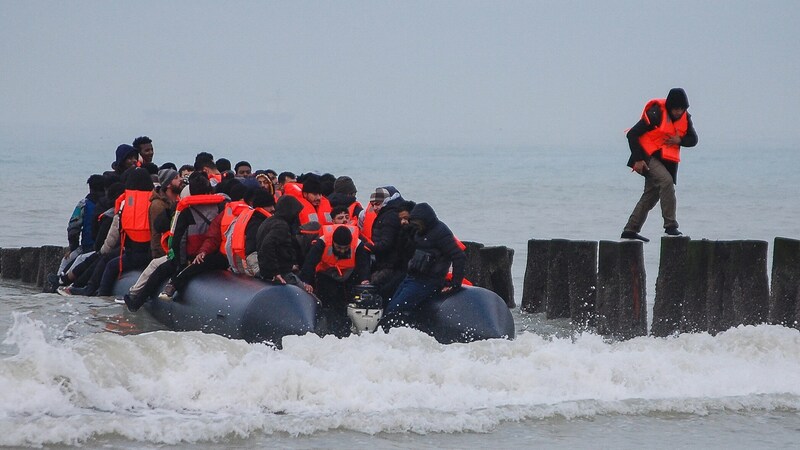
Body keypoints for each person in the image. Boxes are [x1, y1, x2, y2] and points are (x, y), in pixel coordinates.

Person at [621, 88, 698, 242]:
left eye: (681, 109)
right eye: (675, 109)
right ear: (669, 107)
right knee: (666, 182)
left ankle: (630, 230)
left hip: (664, 162)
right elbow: (632, 134)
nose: (678, 112)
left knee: (651, 195)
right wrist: (638, 159)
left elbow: (693, 140)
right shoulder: (656, 113)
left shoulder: (686, 118)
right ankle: (670, 225)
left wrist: (680, 141)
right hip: (645, 156)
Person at [380, 202, 466, 331]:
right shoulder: (417, 231)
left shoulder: (441, 233)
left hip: (428, 281)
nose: (416, 226)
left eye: (418, 223)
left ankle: (392, 333)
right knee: (389, 304)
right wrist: (405, 232)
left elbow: (459, 256)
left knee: (396, 309)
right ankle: (394, 331)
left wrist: (455, 283)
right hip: (412, 276)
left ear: (426, 221)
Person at [299, 225, 371, 337]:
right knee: (328, 304)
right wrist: (306, 282)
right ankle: (329, 330)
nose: (342, 251)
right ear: (333, 242)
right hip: (327, 274)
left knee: (346, 304)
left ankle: (347, 331)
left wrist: (364, 280)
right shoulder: (322, 242)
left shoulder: (358, 245)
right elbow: (309, 263)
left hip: (348, 275)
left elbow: (364, 265)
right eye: (338, 248)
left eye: (345, 248)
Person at [256, 195, 306, 287]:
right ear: (290, 212)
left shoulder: (268, 221)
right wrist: (274, 272)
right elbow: (267, 245)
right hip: (281, 273)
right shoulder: (281, 226)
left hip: (265, 271)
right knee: (310, 297)